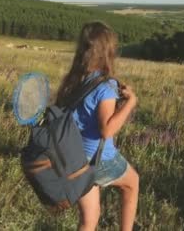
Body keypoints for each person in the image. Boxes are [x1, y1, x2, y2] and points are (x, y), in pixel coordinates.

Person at [56, 22, 139, 231]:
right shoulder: (106, 85)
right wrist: (130, 102)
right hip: (97, 159)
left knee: (89, 220)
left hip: (72, 158)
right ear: (108, 50)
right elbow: (107, 130)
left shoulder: (73, 80)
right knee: (132, 183)